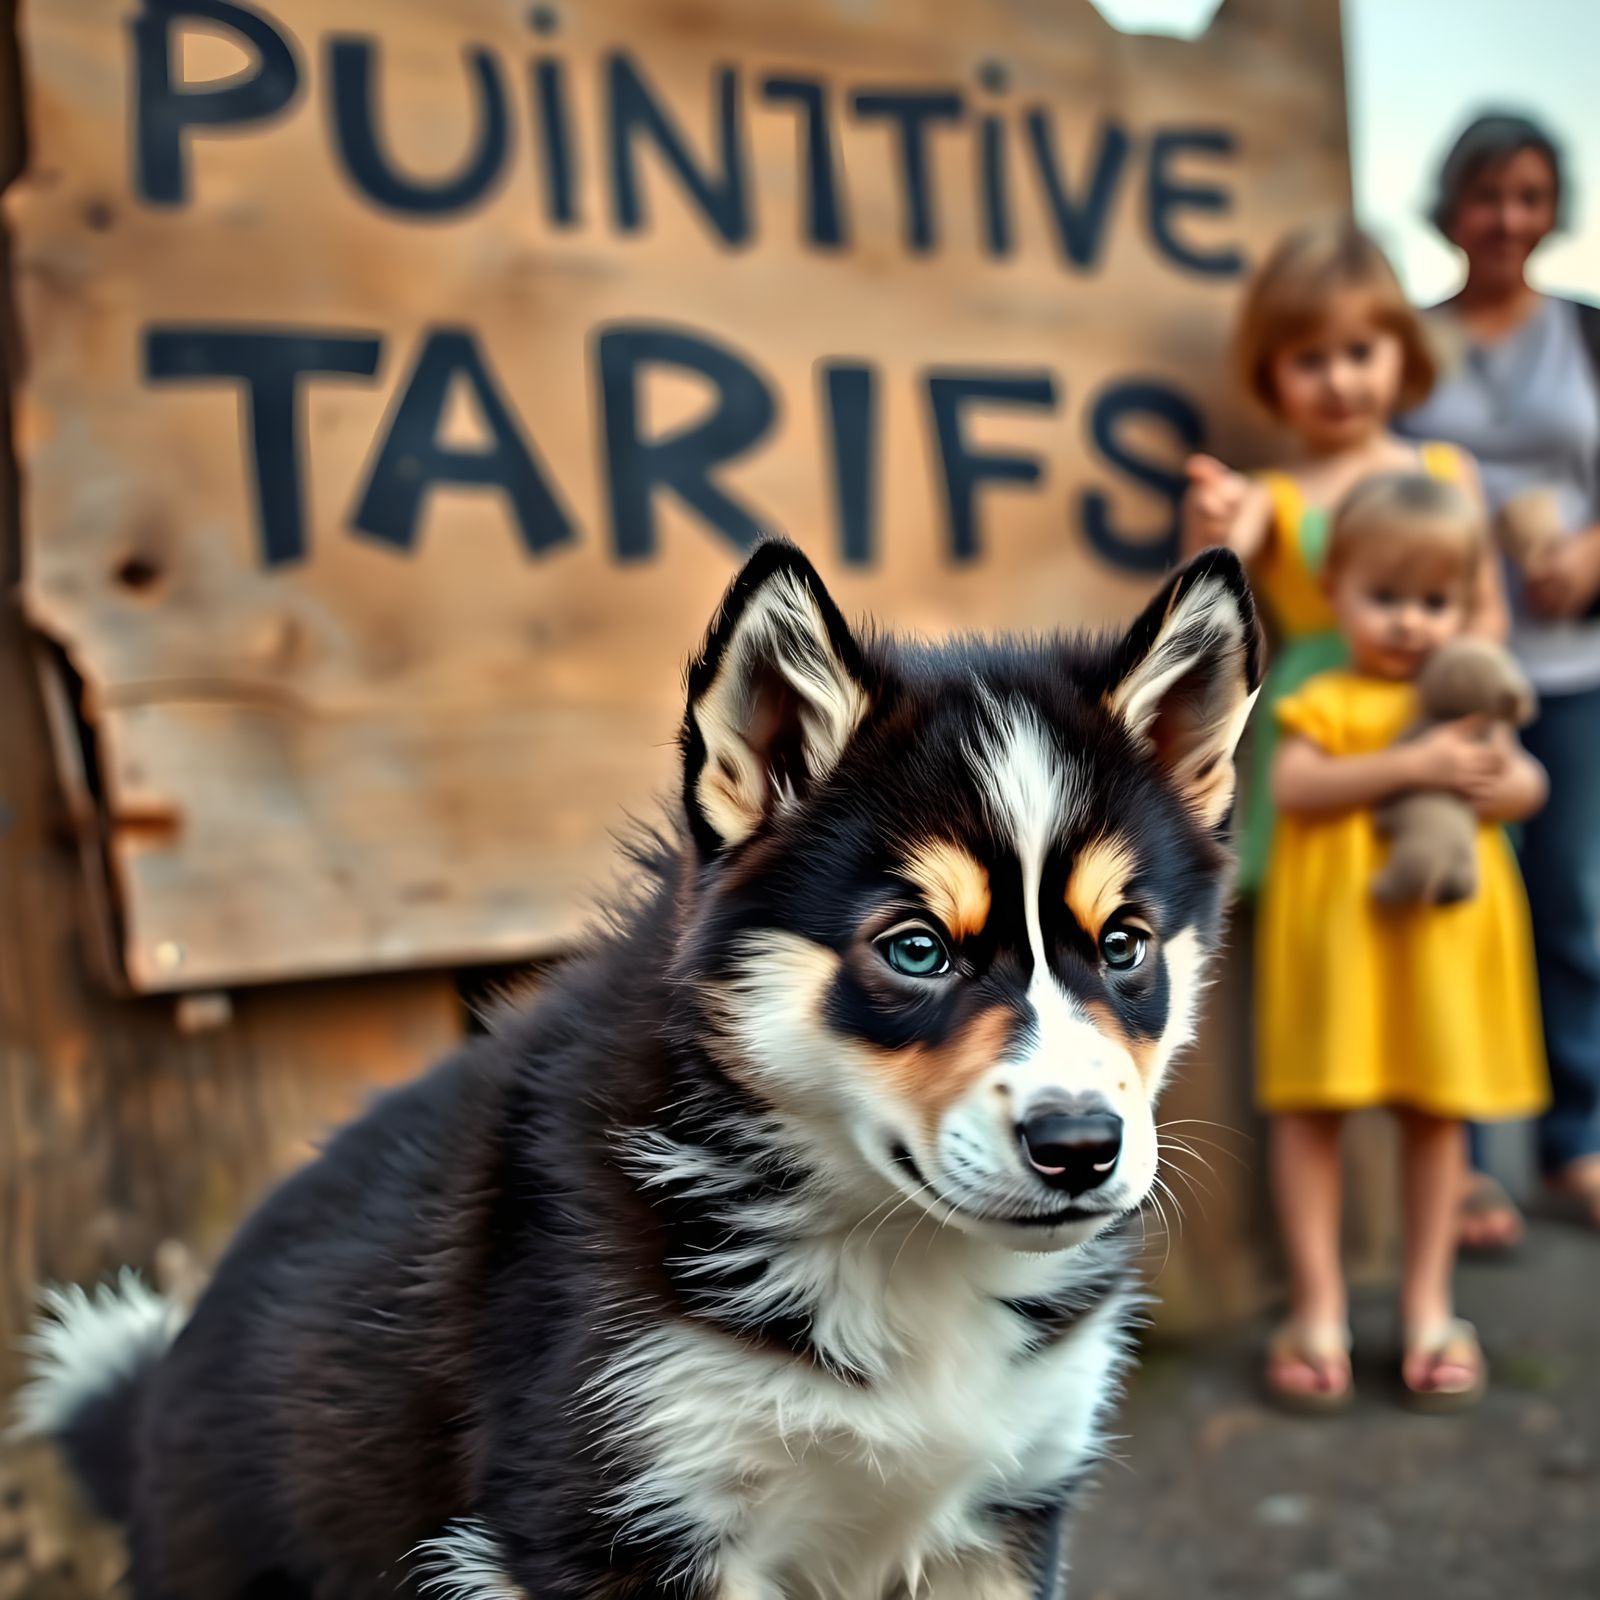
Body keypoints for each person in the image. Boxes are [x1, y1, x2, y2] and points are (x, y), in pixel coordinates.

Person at [1256, 473, 1548, 1413]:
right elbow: (1294, 789)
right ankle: (1318, 1309)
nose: (1413, 623)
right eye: (1387, 597)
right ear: (1333, 588)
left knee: (1438, 1116)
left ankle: (1428, 1304)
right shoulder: (1324, 695)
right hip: (1339, 941)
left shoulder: (1469, 704)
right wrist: (1413, 766)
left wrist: (1496, 783)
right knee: (1311, 1115)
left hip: (1439, 944)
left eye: (1438, 602)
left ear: (1471, 606)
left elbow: (1526, 788)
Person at [1398, 112, 1600, 1247]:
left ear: (1550, 207)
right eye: (1487, 197)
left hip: (1572, 670)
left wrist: (1587, 553)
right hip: (1436, 679)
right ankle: (1464, 1164)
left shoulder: (1586, 335)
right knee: (1451, 903)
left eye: (1528, 196)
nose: (1507, 220)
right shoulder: (1410, 343)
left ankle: (1578, 1138)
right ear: (1452, 208)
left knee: (1570, 904)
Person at [1182, 220, 1505, 899]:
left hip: (1429, 711)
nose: (1338, 380)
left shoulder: (1449, 471)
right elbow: (1216, 620)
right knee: (1332, 900)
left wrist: (1467, 704)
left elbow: (1486, 612)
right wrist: (1210, 533)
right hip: (1320, 733)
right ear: (1271, 370)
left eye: (1360, 352)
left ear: (1402, 353)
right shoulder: (1271, 495)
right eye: (1310, 360)